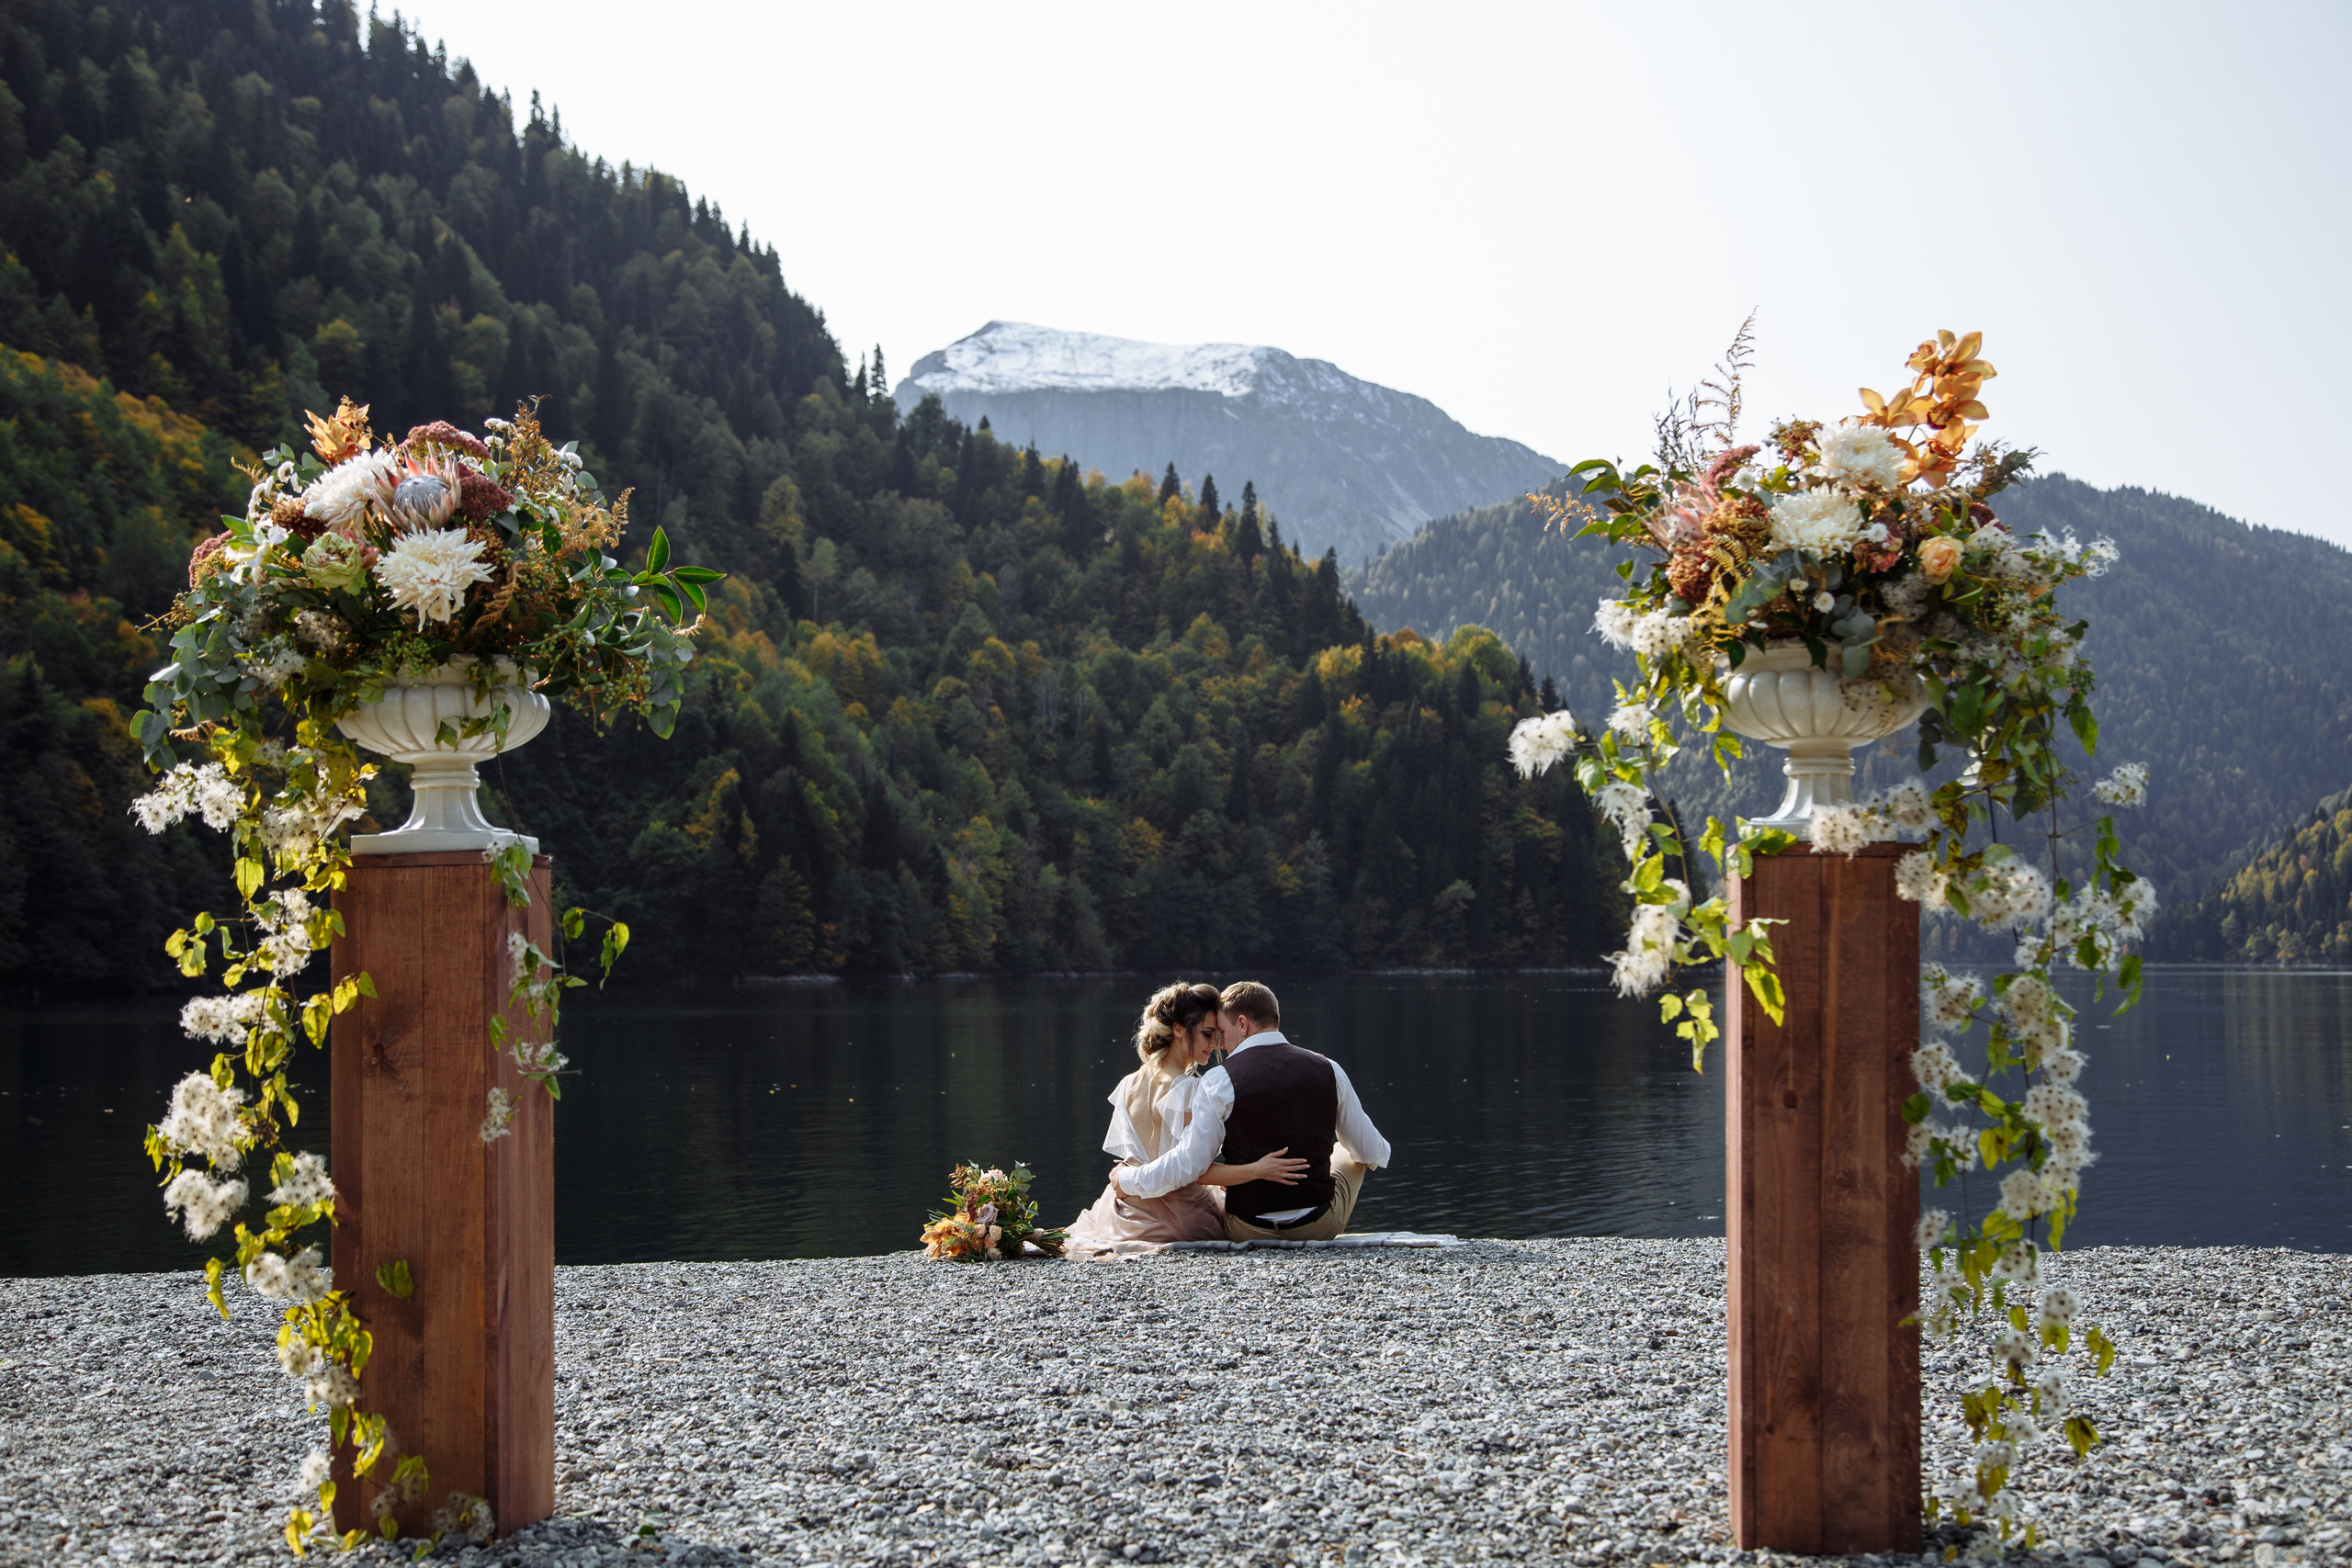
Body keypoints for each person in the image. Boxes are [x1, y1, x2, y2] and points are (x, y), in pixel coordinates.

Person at [1114, 980, 1389, 1244]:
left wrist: (1128, 1179)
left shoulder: (1217, 1079)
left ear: (1242, 1025)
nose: (1220, 1043)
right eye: (1213, 1034)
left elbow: (1191, 1163)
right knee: (1349, 1151)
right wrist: (1379, 1152)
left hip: (1246, 1227)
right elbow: (1369, 1151)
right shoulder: (1329, 1068)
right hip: (1317, 1226)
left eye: (1221, 1031)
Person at [1064, 982, 1309, 1259]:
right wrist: (1258, 1169)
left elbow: (1148, 1159)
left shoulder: (1128, 1085)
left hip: (1126, 1211)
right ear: (1179, 1030)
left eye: (1218, 1034)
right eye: (1207, 1034)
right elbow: (1194, 1171)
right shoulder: (1189, 1091)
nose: (1216, 1044)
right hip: (1181, 1217)